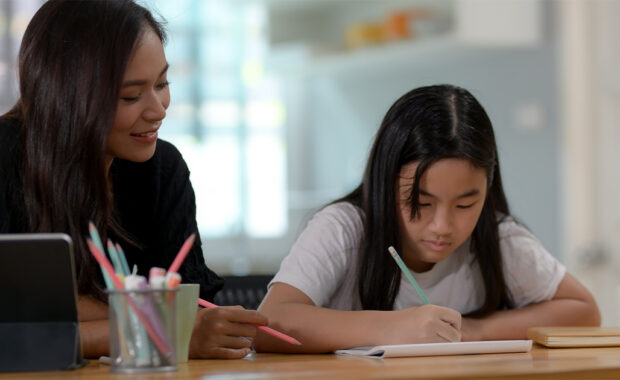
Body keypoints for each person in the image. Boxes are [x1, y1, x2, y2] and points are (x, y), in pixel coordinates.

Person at [0, 0, 266, 359]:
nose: (158, 110)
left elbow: (194, 310)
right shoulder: (6, 158)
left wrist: (85, 317)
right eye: (131, 95)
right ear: (67, 96)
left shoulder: (162, 169)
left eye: (162, 83)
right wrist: (158, 331)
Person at [254, 84, 601, 353]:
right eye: (420, 202)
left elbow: (583, 311)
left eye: (466, 205)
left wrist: (474, 329)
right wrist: (394, 327)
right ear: (384, 181)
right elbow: (270, 323)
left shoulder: (496, 238)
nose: (442, 226)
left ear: (488, 187)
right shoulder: (345, 228)